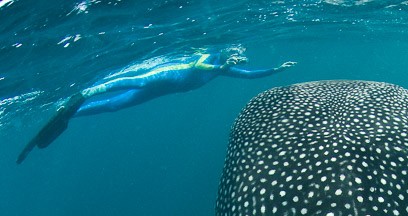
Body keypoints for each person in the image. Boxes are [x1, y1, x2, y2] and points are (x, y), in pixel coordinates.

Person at [17, 50, 296, 163]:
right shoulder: (208, 57)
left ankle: (74, 112)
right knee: (130, 83)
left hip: (161, 93)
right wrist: (222, 63)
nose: (237, 61)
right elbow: (198, 65)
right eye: (234, 58)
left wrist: (275, 70)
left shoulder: (222, 70)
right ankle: (88, 91)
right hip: (158, 79)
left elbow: (250, 74)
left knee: (114, 107)